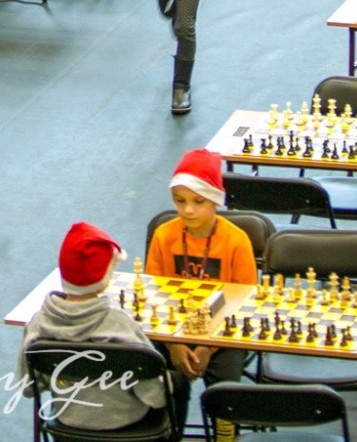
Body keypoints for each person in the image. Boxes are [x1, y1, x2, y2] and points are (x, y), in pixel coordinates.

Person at [17, 222, 175, 431]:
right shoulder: (122, 326)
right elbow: (155, 396)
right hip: (127, 424)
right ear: (106, 278)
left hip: (68, 425)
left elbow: (29, 387)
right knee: (176, 382)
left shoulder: (38, 324)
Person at [145, 149, 255, 442]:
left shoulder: (236, 241)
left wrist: (208, 347)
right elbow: (155, 296)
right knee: (170, 382)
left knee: (225, 388)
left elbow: (241, 301)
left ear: (215, 200)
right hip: (173, 328)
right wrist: (175, 345)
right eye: (180, 201)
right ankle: (171, 433)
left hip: (221, 330)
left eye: (198, 201)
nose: (188, 210)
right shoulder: (164, 235)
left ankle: (225, 433)